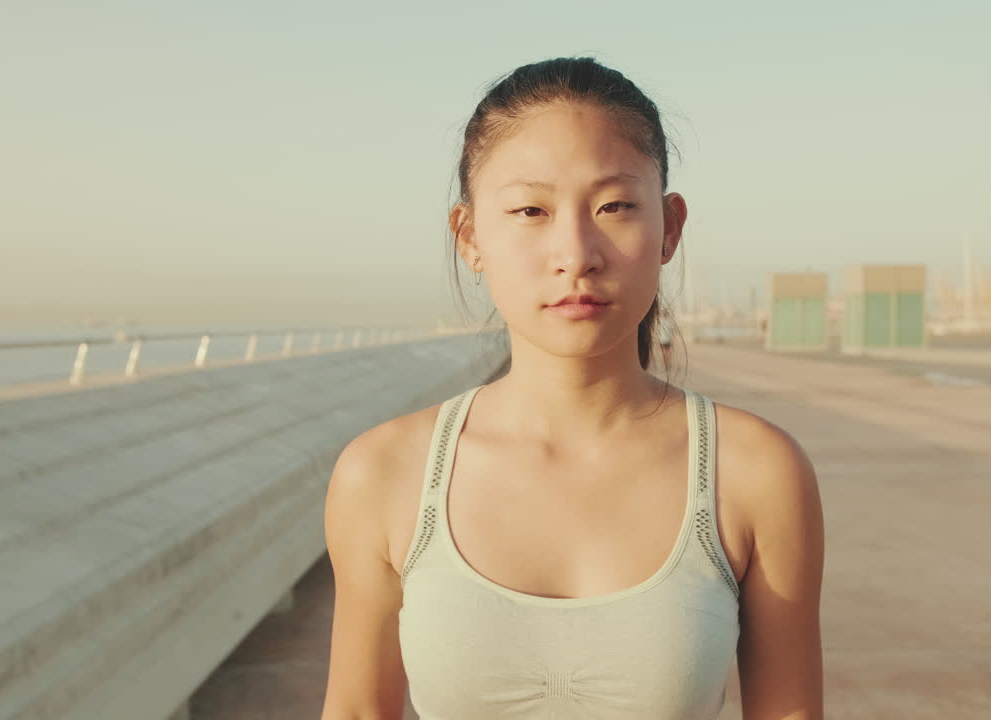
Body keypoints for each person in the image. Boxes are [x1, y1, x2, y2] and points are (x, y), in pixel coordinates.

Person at [321, 57, 824, 720]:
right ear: (470, 237)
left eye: (614, 206)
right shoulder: (384, 474)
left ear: (670, 227)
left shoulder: (755, 471)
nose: (576, 254)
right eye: (531, 210)